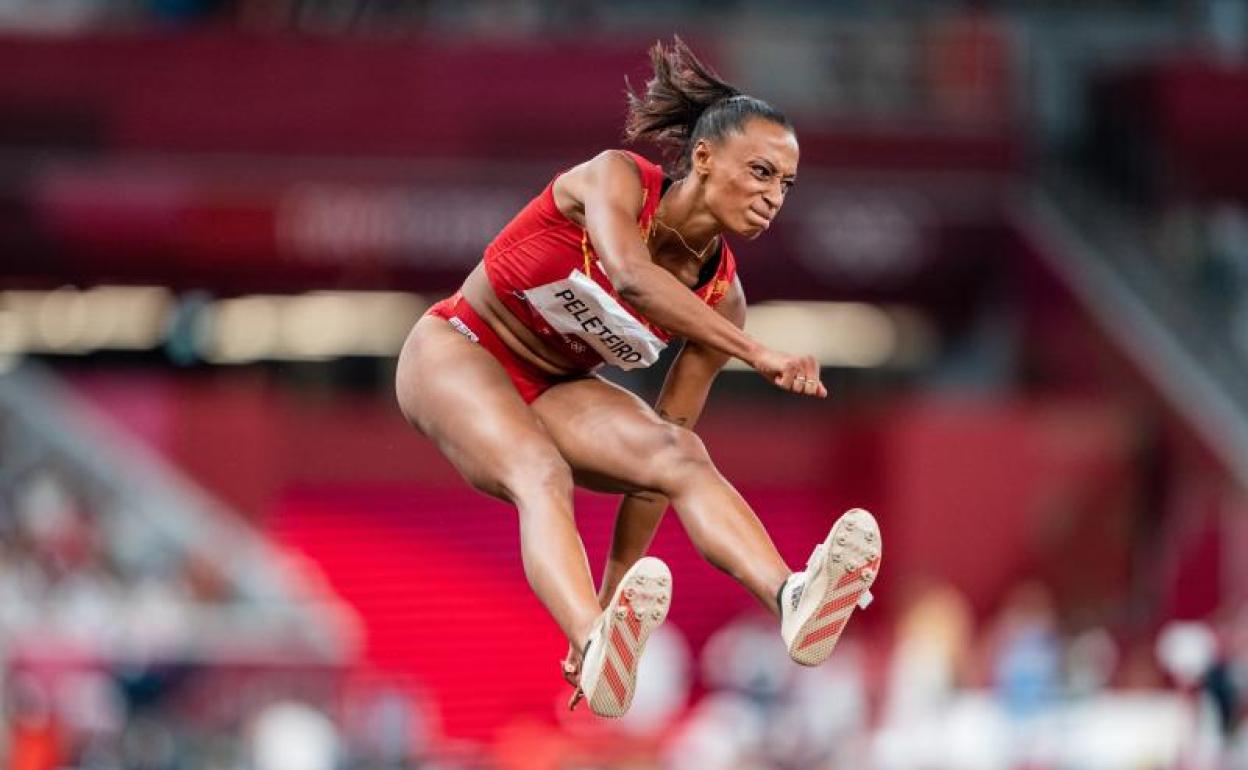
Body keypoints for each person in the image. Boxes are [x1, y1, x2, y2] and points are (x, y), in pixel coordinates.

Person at [395, 37, 882, 718]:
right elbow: (630, 276)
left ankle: (791, 598)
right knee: (539, 471)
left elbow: (664, 454)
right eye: (763, 172)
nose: (775, 197)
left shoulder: (722, 295)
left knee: (679, 454)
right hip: (459, 348)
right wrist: (756, 352)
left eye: (786, 186)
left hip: (557, 386)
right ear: (705, 159)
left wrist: (614, 594)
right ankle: (591, 637)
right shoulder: (615, 180)